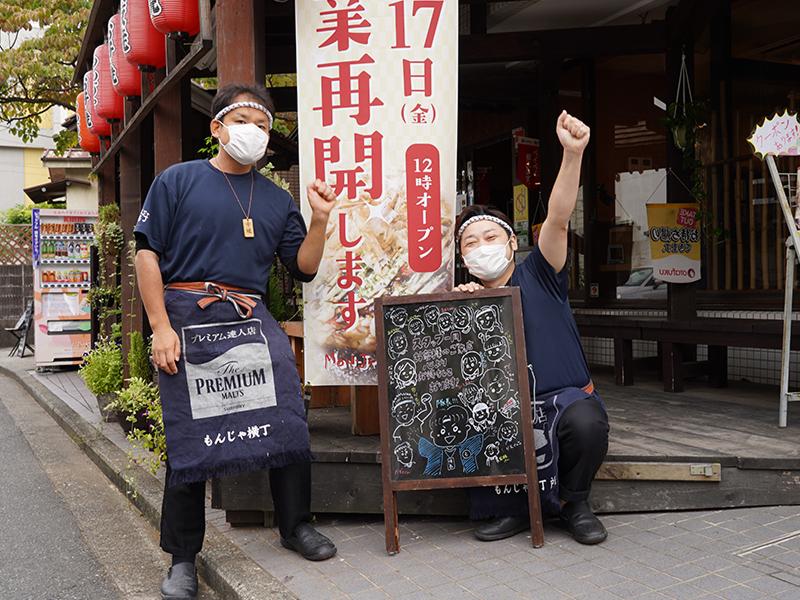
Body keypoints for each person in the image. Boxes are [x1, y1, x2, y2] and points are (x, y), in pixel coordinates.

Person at [134, 83, 337, 600]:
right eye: (244, 119)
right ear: (217, 127)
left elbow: (304, 268)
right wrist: (159, 326)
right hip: (185, 314)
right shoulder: (177, 180)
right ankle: (183, 557)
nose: (254, 131)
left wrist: (319, 220)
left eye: (264, 125)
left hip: (248, 315)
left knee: (288, 412)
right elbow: (147, 255)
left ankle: (295, 525)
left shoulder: (275, 198)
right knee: (191, 434)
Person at [455, 110, 609, 545]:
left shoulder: (539, 272)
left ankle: (574, 503)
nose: (481, 248)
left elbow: (558, 217)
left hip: (563, 402)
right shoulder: (464, 299)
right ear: (463, 257)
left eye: (490, 238)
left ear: (511, 243)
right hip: (506, 411)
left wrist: (573, 154)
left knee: (585, 422)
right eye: (471, 242)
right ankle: (514, 509)